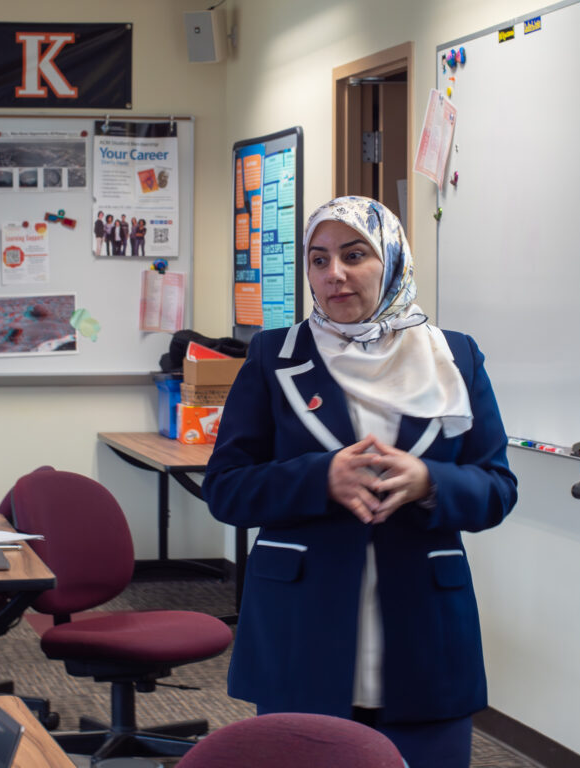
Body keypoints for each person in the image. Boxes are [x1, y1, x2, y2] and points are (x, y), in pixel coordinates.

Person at [202, 196, 518, 768]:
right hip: (303, 625)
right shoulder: (274, 357)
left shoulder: (456, 358)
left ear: (392, 261)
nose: (334, 274)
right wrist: (321, 476)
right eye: (318, 260)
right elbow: (225, 488)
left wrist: (429, 481)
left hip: (425, 631)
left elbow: (497, 488)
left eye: (354, 255)